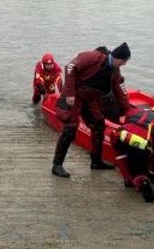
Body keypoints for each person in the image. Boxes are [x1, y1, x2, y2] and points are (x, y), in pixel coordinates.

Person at [51, 42, 133, 178]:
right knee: (70, 128)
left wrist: (129, 112)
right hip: (75, 94)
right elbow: (70, 67)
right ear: (118, 57)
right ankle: (57, 165)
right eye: (124, 61)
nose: (124, 64)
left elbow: (120, 93)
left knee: (99, 124)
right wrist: (70, 93)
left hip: (90, 98)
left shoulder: (115, 72)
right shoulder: (93, 57)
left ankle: (96, 161)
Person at [112, 105, 154, 203]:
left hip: (124, 136)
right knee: (139, 168)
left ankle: (130, 180)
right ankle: (142, 180)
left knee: (118, 150)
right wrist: (153, 171)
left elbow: (126, 117)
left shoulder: (136, 111)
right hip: (142, 144)